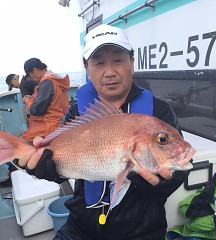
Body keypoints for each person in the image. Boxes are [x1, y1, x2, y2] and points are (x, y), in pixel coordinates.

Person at [19, 24, 189, 240]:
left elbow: (180, 171)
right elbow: (62, 161)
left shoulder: (159, 111)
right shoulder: (76, 110)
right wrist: (51, 171)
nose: (110, 72)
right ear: (87, 68)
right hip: (81, 225)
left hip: (141, 229)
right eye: (99, 63)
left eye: (118, 60)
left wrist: (166, 182)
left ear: (132, 62)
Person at [22, 58, 70, 142]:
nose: (31, 79)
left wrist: (27, 101)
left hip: (49, 129)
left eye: (30, 75)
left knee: (24, 142)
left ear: (35, 70)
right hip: (60, 123)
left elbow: (36, 109)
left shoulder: (46, 83)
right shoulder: (56, 80)